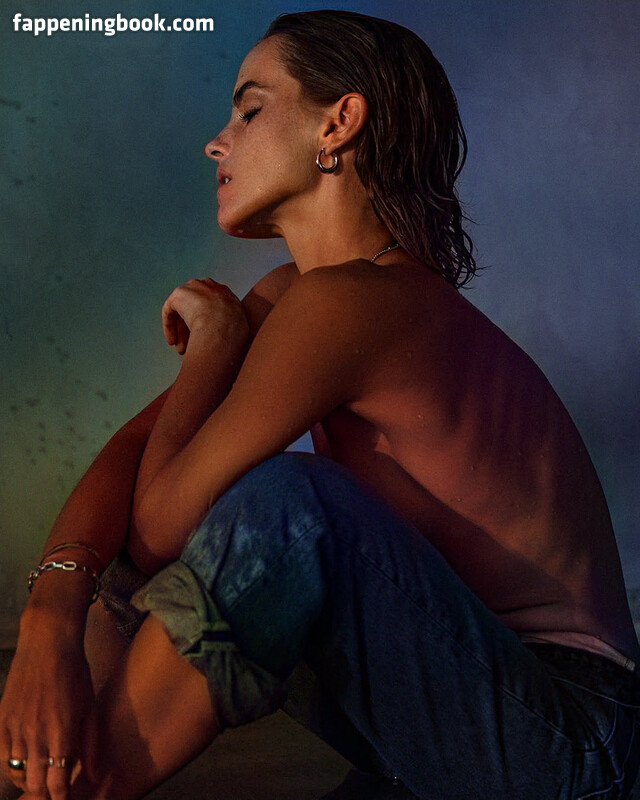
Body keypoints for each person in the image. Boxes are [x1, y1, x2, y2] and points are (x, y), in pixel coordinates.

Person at [1, 9, 639, 800]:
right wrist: (49, 617)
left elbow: (161, 522)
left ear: (338, 124)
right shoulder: (304, 296)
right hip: (454, 694)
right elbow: (136, 460)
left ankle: (74, 788)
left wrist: (211, 353)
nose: (217, 142)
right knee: (141, 536)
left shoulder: (355, 303)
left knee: (290, 507)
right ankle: (47, 773)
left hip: (574, 741)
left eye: (250, 108)